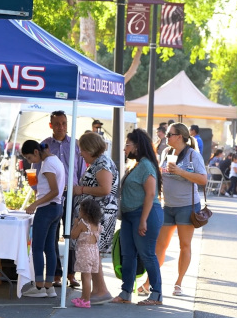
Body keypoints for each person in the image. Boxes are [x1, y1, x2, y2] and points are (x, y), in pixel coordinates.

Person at [150, 123, 207, 298]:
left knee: (185, 244)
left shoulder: (192, 155)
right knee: (160, 244)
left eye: (169, 134)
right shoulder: (166, 153)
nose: (166, 137)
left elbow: (203, 179)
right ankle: (149, 281)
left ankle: (179, 282)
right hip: (168, 205)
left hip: (187, 206)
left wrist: (181, 172)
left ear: (180, 136)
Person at [111, 129, 163, 306]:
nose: (125, 149)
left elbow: (150, 194)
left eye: (127, 145)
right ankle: (126, 292)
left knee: (147, 254)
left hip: (144, 214)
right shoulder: (137, 165)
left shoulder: (147, 166)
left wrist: (143, 220)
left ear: (137, 146)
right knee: (128, 255)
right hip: (129, 216)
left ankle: (156, 294)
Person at [35, 110, 86, 288]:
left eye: (64, 123)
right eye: (57, 123)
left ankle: (71, 274)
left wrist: (79, 191)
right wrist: (39, 193)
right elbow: (35, 172)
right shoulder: (43, 146)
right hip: (51, 197)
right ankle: (55, 274)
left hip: (72, 194)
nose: (61, 127)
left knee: (72, 234)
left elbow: (81, 170)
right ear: (51, 125)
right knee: (53, 236)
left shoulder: (76, 145)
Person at [71, 132, 119, 305]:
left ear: (90, 149)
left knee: (92, 251)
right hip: (97, 213)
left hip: (101, 214)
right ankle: (99, 289)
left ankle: (100, 290)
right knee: (93, 252)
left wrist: (81, 190)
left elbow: (105, 189)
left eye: (82, 150)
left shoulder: (102, 164)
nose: (80, 153)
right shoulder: (99, 162)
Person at [21, 140, 66, 298]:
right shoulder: (55, 161)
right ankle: (49, 287)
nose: (30, 162)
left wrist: (35, 204)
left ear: (35, 152)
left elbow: (53, 191)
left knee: (38, 248)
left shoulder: (47, 164)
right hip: (56, 208)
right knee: (50, 248)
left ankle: (39, 287)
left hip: (47, 208)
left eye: (29, 158)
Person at [69, 198, 102, 308]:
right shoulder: (97, 224)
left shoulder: (83, 223)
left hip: (84, 252)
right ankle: (84, 297)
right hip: (94, 251)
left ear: (85, 212)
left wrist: (75, 224)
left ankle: (86, 299)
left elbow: (73, 235)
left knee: (85, 276)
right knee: (89, 276)